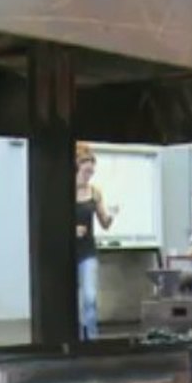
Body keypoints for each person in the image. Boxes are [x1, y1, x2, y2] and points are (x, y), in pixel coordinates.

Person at [75, 143, 117, 340]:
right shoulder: (64, 190)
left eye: (92, 170)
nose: (89, 174)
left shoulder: (95, 192)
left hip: (87, 252)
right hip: (67, 252)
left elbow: (105, 223)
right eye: (86, 170)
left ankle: (91, 341)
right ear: (77, 166)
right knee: (69, 302)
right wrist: (72, 230)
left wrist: (111, 215)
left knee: (90, 298)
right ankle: (74, 341)